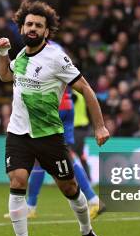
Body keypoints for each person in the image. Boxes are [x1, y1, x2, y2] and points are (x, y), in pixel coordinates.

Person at [0, 1, 110, 236]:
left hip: (48, 135)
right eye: (29, 24)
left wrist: (100, 126)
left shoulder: (57, 58)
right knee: (17, 180)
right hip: (18, 132)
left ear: (47, 31)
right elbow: (5, 76)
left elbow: (87, 90)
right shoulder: (22, 56)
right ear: (21, 28)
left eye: (38, 25)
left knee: (69, 187)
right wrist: (2, 54)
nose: (33, 28)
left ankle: (87, 231)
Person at [18, 86, 106, 220]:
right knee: (53, 156)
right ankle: (31, 206)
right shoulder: (66, 67)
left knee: (47, 155)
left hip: (53, 106)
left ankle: (94, 200)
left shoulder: (44, 65)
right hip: (65, 104)